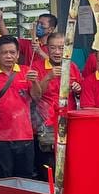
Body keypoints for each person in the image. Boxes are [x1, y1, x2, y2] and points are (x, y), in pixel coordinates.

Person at [0, 35, 42, 180]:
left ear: (18, 54)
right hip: (0, 136)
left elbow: (37, 96)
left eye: (12, 52)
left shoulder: (26, 71)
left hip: (25, 134)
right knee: (4, 177)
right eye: (4, 52)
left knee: (26, 177)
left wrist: (35, 82)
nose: (9, 56)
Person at [32, 32, 83, 177]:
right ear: (46, 48)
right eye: (53, 48)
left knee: (70, 164)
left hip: (69, 121)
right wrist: (48, 77)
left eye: (61, 48)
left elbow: (80, 92)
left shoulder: (72, 66)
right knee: (49, 166)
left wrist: (77, 89)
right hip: (46, 123)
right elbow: (35, 96)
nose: (57, 52)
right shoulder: (37, 66)